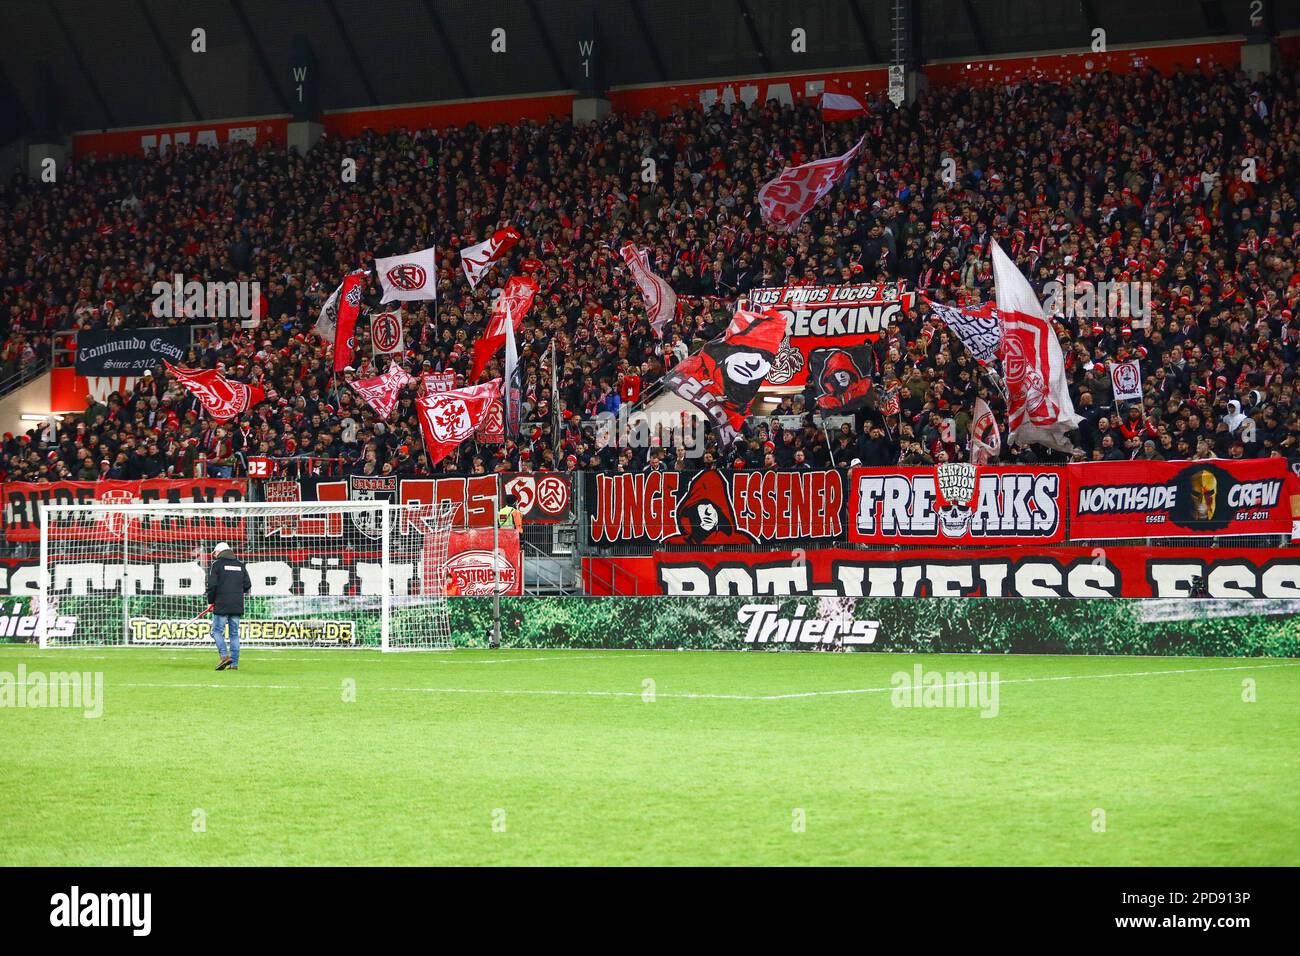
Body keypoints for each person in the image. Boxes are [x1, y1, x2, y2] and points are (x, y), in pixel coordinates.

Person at [206, 541, 252, 671]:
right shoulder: (240, 565)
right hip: (237, 603)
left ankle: (224, 656)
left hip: (221, 603)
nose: (214, 556)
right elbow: (247, 585)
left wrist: (211, 600)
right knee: (234, 634)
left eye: (215, 553)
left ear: (219, 552)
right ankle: (234, 664)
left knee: (216, 631)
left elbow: (212, 585)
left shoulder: (217, 565)